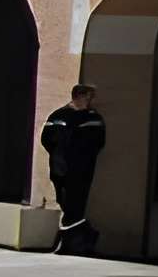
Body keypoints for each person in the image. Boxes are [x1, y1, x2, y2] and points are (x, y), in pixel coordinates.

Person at [37, 83, 106, 256]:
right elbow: (46, 139)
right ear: (80, 96)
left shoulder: (93, 118)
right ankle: (86, 233)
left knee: (75, 204)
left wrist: (83, 156)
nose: (91, 100)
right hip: (60, 169)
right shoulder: (58, 115)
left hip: (83, 169)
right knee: (65, 202)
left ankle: (68, 242)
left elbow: (98, 142)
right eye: (89, 96)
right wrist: (59, 154)